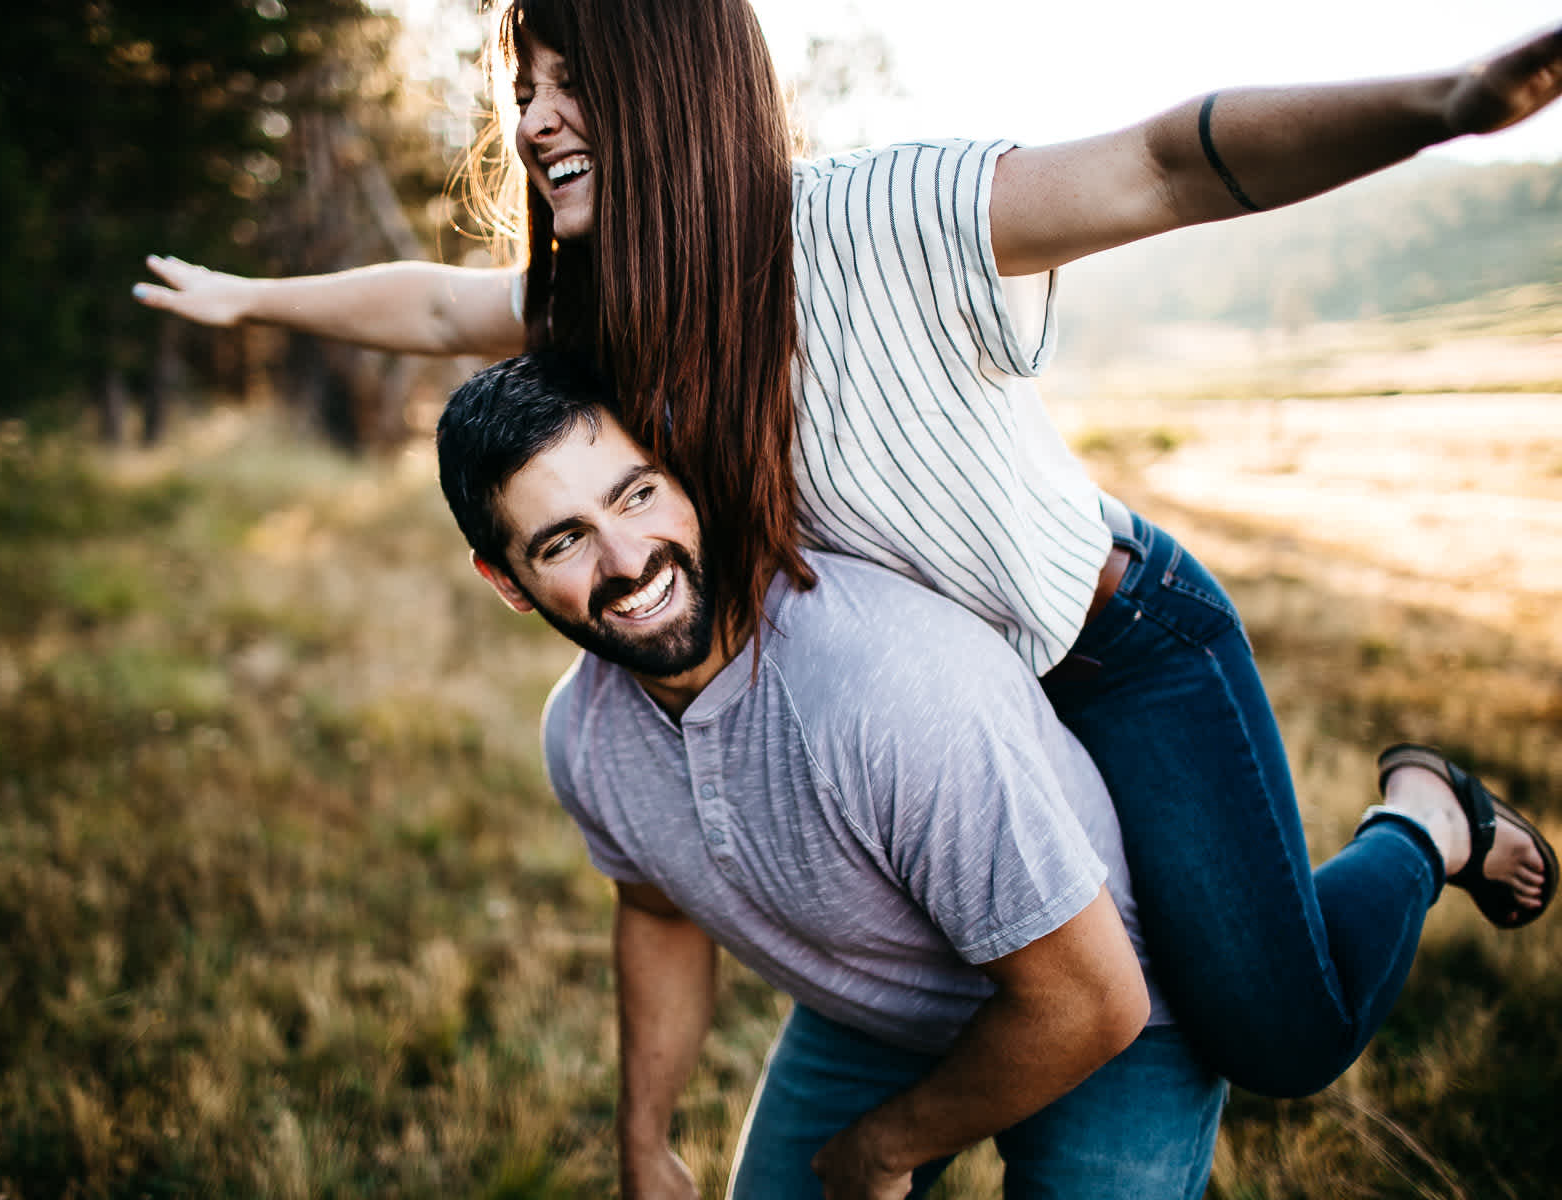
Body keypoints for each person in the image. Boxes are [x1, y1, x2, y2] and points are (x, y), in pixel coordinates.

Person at [134, 2, 1562, 1095]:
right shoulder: (609, 313)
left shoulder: (879, 220)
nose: (534, 118)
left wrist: (1444, 101)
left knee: (1277, 1033)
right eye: (523, 83)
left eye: (571, 78)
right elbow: (442, 311)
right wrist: (250, 296)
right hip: (950, 709)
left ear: (673, 89)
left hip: (1115, 650)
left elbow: (1158, 162)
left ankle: (1427, 817)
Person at [437, 351, 1229, 1199]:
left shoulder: (888, 690)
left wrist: (887, 1148)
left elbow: (1093, 1002)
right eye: (563, 540)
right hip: (876, 1011)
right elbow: (658, 913)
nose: (629, 560)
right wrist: (643, 1140)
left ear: (684, 475)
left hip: (1108, 1010)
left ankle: (1399, 823)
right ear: (507, 582)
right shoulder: (585, 734)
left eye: (637, 494)